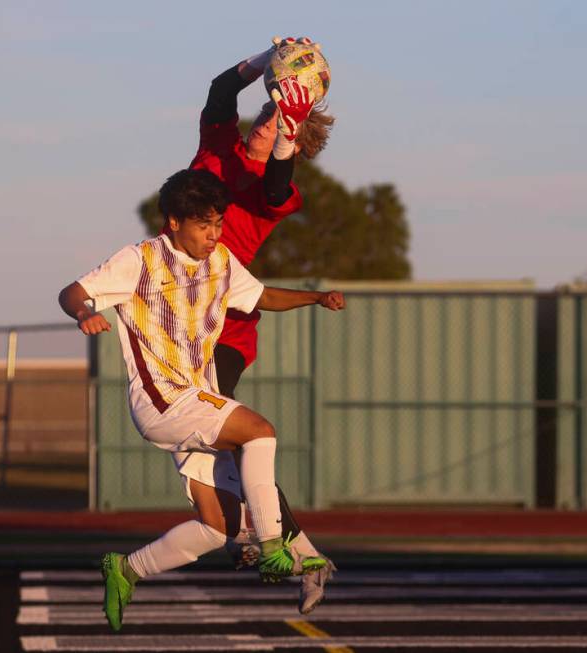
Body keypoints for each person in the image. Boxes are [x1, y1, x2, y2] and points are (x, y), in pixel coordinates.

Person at [58, 169, 345, 632]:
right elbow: (71, 291)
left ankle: (126, 570)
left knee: (218, 528)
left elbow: (261, 296)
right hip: (163, 402)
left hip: (194, 399)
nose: (214, 235)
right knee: (260, 431)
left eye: (218, 224)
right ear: (173, 222)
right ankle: (273, 547)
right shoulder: (140, 260)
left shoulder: (222, 262)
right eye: (204, 225)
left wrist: (316, 298)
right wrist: (83, 313)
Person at [187, 37, 337, 613]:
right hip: (178, 319)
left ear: (291, 140)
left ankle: (259, 534)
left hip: (227, 325)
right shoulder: (219, 146)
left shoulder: (278, 189)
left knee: (219, 425)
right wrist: (260, 62)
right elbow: (221, 91)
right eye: (269, 111)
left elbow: (277, 183)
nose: (266, 123)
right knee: (209, 436)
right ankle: (305, 552)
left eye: (279, 123)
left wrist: (293, 123)